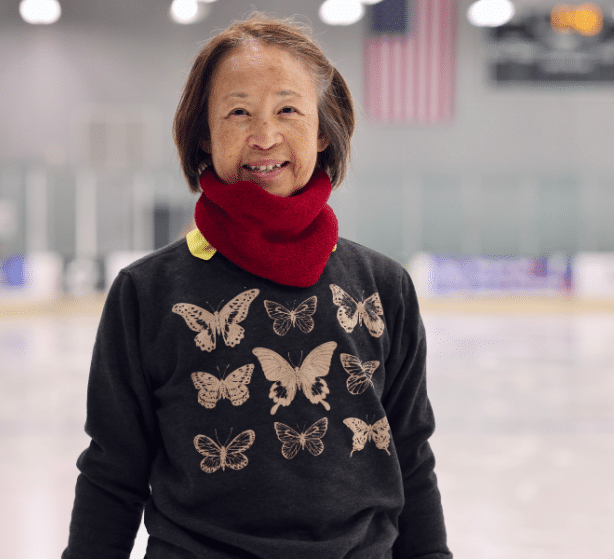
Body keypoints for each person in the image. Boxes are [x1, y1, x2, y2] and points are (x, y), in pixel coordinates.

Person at [63, 13, 451, 559]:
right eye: (238, 112)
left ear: (322, 132)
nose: (264, 136)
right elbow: (112, 472)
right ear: (204, 134)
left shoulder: (382, 287)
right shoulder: (146, 293)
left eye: (288, 110)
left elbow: (409, 455)